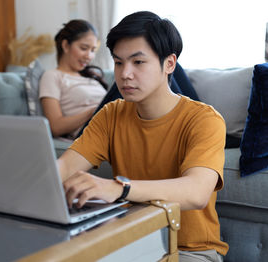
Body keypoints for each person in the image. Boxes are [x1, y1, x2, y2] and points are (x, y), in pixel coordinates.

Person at [57, 11, 229, 262]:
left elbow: (196, 192)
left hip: (190, 251)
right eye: (118, 62)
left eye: (138, 62)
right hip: (130, 243)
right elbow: (64, 167)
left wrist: (118, 188)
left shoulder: (204, 119)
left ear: (169, 63)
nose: (125, 74)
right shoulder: (112, 114)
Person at [39, 19, 108, 139]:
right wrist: (94, 111)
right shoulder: (52, 76)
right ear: (66, 46)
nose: (89, 56)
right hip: (96, 132)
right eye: (84, 48)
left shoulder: (91, 77)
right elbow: (55, 127)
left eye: (92, 50)